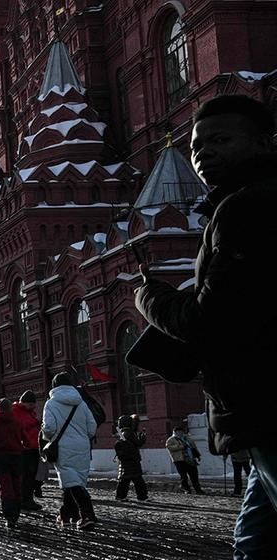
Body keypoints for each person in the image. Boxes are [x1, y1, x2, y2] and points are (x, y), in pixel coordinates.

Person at [133, 94, 277, 558]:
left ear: (264, 143)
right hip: (259, 409)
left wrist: (150, 297)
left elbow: (210, 321)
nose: (203, 154)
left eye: (221, 141)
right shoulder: (238, 203)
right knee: (252, 541)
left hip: (267, 405)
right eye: (196, 147)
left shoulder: (245, 208)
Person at [41, 373, 98, 530]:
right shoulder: (81, 403)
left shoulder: (51, 404)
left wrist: (46, 436)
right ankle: (66, 515)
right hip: (82, 446)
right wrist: (82, 438)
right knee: (74, 481)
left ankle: (87, 515)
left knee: (71, 482)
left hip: (63, 447)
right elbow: (92, 427)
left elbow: (49, 428)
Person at [0, 398, 28, 528]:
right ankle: (16, 512)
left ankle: (10, 516)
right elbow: (26, 440)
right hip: (17, 457)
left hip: (1, 458)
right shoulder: (17, 422)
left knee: (5, 487)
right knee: (17, 485)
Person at [11, 391, 44, 510]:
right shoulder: (16, 411)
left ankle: (27, 498)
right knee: (26, 476)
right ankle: (25, 500)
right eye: (31, 404)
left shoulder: (29, 412)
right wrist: (35, 422)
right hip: (24, 449)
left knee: (31, 475)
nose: (34, 407)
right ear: (24, 403)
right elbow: (21, 426)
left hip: (33, 447)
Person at [113, 415, 149, 502]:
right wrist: (142, 437)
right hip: (133, 460)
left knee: (125, 479)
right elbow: (138, 443)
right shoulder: (129, 433)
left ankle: (120, 496)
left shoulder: (122, 433)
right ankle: (142, 496)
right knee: (138, 480)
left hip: (125, 460)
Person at [166, 426, 204, 494]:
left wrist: (197, 455)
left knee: (194, 475)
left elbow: (193, 447)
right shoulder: (171, 440)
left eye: (181, 431)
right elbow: (169, 447)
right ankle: (186, 488)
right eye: (178, 432)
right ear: (175, 432)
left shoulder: (187, 439)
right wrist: (182, 446)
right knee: (184, 476)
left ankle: (198, 489)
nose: (180, 433)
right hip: (179, 460)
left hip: (190, 459)